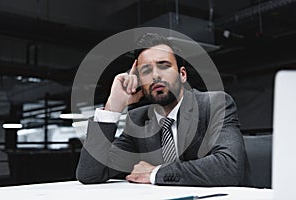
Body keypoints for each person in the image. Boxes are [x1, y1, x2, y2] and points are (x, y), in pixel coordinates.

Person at [76, 33, 251, 186]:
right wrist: (113, 107)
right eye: (146, 70)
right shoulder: (138, 120)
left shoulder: (214, 104)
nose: (155, 75)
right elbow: (90, 174)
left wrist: (155, 173)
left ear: (182, 75)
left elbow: (229, 167)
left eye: (164, 65)